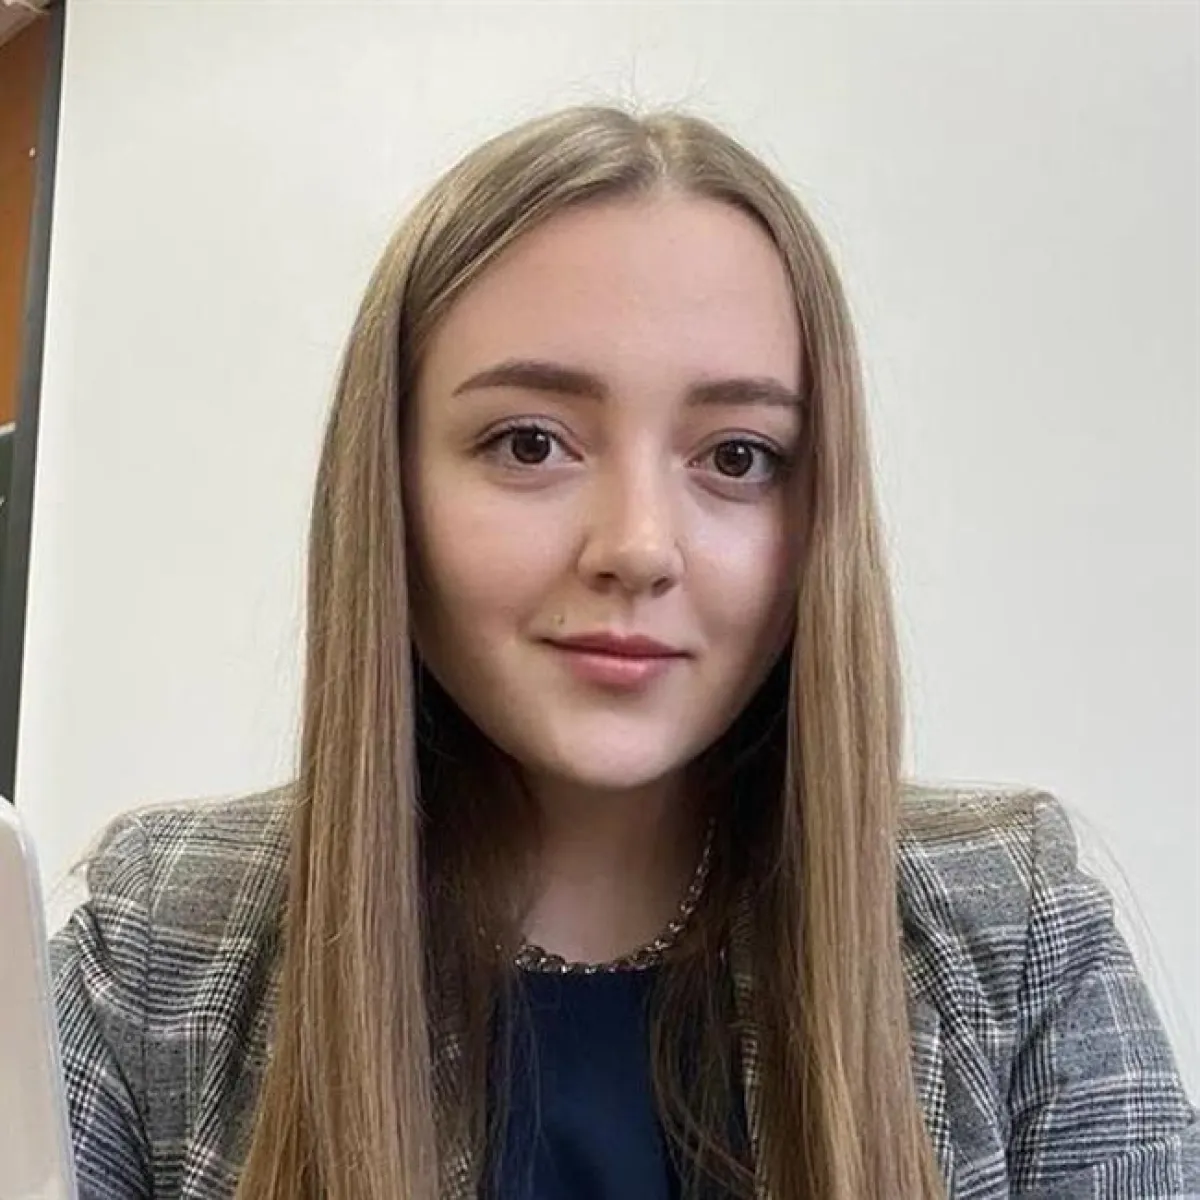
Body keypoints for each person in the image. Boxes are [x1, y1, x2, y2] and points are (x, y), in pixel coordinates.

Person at [50, 105, 1197, 1200]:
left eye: (738, 457)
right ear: (387, 488)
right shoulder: (161, 941)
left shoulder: (1012, 929)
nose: (640, 548)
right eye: (530, 443)